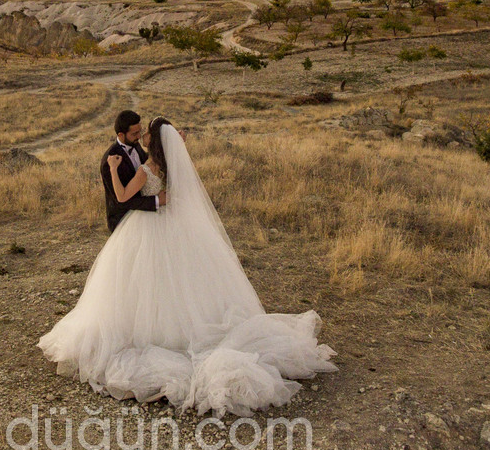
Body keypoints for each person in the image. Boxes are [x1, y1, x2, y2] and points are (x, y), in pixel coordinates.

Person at [37, 115, 337, 418]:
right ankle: (184, 328)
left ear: (153, 141)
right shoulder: (171, 166)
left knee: (145, 281)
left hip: (146, 227)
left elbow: (122, 196)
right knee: (183, 279)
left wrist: (117, 171)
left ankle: (153, 334)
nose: (141, 137)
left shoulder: (146, 168)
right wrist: (175, 146)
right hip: (171, 225)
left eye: (145, 134)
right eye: (136, 133)